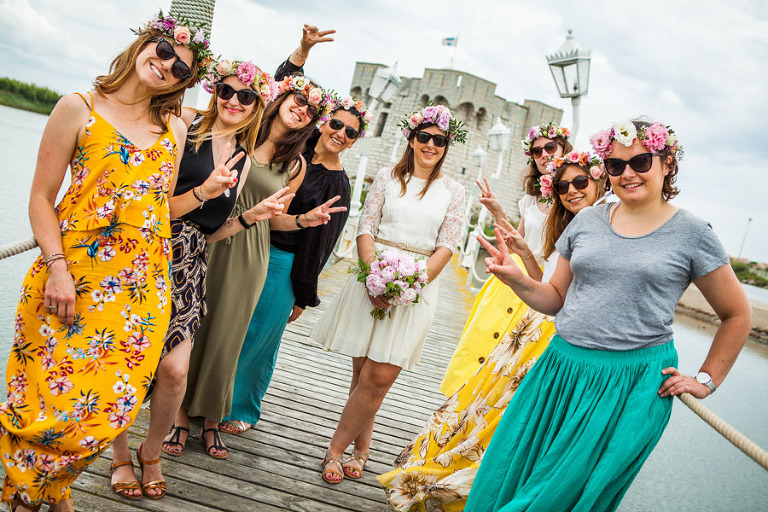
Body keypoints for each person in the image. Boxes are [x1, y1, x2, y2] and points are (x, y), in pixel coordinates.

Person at [466, 119, 752, 512]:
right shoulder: (586, 222)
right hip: (559, 371)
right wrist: (518, 279)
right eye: (616, 166)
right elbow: (555, 299)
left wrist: (706, 380)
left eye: (640, 161)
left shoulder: (693, 233)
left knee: (561, 497)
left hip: (629, 386)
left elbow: (737, 314)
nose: (628, 173)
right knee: (508, 475)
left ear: (667, 163)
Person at [0, 12, 211, 511]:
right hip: (70, 277)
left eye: (181, 69)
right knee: (48, 398)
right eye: (163, 52)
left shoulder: (174, 130)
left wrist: (207, 191)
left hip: (142, 290)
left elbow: (159, 208)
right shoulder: (79, 107)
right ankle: (36, 492)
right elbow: (40, 198)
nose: (166, 67)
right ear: (145, 44)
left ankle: (53, 484)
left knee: (109, 407)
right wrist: (57, 268)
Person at [378, 151, 607, 511]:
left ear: (599, 180)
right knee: (485, 408)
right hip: (534, 328)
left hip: (556, 337)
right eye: (563, 186)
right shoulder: (573, 226)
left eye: (581, 182)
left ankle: (489, 488)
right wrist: (523, 252)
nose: (571, 190)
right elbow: (548, 284)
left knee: (509, 418)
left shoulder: (604, 225)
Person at [108, 58, 292, 499]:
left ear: (256, 104)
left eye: (245, 95)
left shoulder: (242, 158)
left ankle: (150, 451)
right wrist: (203, 192)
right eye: (226, 91)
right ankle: (118, 458)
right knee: (124, 364)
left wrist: (252, 216)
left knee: (174, 372)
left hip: (191, 264)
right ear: (214, 92)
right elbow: (160, 209)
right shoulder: (182, 127)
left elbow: (212, 231)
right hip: (148, 254)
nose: (233, 100)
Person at [169, 73, 345, 460]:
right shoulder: (239, 137)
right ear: (278, 100)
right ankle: (179, 417)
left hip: (250, 252)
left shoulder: (295, 165)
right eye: (297, 100)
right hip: (208, 240)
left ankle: (212, 421)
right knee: (189, 331)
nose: (302, 109)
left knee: (230, 335)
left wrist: (303, 220)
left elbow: (273, 218)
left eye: (311, 109)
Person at [310, 104, 467, 484]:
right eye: (424, 137)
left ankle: (334, 450)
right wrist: (372, 276)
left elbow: (447, 246)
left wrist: (409, 286)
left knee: (378, 377)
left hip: (418, 287)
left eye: (439, 140)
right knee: (363, 374)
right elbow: (366, 226)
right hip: (372, 276)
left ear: (447, 146)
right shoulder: (385, 177)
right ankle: (362, 450)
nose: (430, 145)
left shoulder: (454, 191)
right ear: (411, 139)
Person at [220, 91, 372, 435]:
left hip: (282, 264)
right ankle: (209, 396)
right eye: (336, 123)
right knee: (227, 323)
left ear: (352, 143)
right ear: (322, 121)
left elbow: (321, 245)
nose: (340, 133)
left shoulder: (338, 185)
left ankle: (242, 406)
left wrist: (303, 294)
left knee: (260, 337)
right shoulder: (290, 152)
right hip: (242, 244)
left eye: (350, 132)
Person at [439, 122, 572, 396]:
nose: (544, 154)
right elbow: (516, 242)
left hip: (542, 290)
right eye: (537, 151)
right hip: (509, 286)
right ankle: (459, 403)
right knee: (478, 350)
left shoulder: (574, 197)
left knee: (513, 367)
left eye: (550, 147)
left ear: (563, 149)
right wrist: (498, 212)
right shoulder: (531, 198)